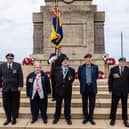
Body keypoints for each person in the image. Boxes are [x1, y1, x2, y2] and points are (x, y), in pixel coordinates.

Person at [0, 53, 23, 125]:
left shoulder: (17, 65)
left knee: (15, 104)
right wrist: (0, 86)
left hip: (15, 88)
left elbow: (20, 76)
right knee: (6, 104)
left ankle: (14, 118)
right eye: (8, 58)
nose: (10, 59)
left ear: (13, 59)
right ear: (6, 58)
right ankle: (8, 118)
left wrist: (20, 86)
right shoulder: (2, 66)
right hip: (5, 88)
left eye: (11, 58)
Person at [53, 57, 75, 125]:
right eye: (64, 61)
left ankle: (68, 117)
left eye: (66, 61)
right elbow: (54, 78)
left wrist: (66, 83)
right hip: (58, 90)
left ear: (68, 62)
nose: (65, 62)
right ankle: (56, 117)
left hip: (67, 91)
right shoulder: (57, 70)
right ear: (61, 62)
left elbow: (72, 79)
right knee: (58, 105)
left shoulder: (72, 70)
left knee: (67, 105)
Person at [78, 53, 98, 125]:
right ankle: (86, 117)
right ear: (84, 59)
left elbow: (96, 76)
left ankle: (91, 117)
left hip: (92, 87)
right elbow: (80, 78)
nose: (88, 59)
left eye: (89, 58)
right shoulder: (81, 67)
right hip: (85, 87)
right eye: (87, 58)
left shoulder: (95, 67)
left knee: (92, 103)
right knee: (84, 103)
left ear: (91, 59)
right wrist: (85, 83)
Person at [108, 57, 129, 127]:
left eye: (124, 61)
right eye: (121, 61)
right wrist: (110, 89)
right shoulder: (113, 69)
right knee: (114, 105)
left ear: (125, 62)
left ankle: (125, 120)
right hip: (115, 91)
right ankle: (113, 119)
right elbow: (110, 80)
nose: (123, 63)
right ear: (119, 62)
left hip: (125, 91)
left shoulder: (128, 69)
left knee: (124, 106)